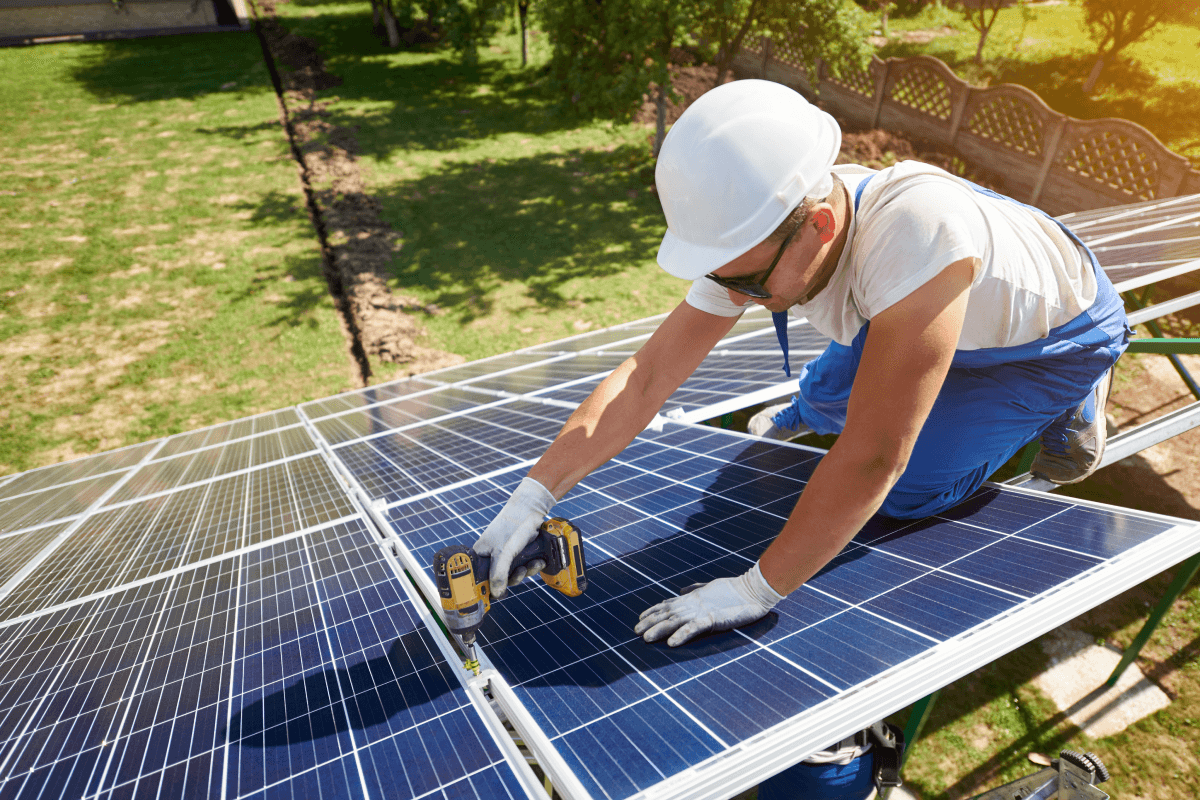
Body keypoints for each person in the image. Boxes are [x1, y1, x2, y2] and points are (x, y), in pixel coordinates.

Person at [473, 79, 1130, 647]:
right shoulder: (755, 241)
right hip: (919, 300)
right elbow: (645, 379)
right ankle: (856, 391)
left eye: (751, 284)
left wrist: (758, 588)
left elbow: (874, 454)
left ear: (818, 225)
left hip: (1051, 336)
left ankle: (1074, 402)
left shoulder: (913, 241)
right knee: (822, 399)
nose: (738, 299)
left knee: (902, 490)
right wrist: (533, 495)